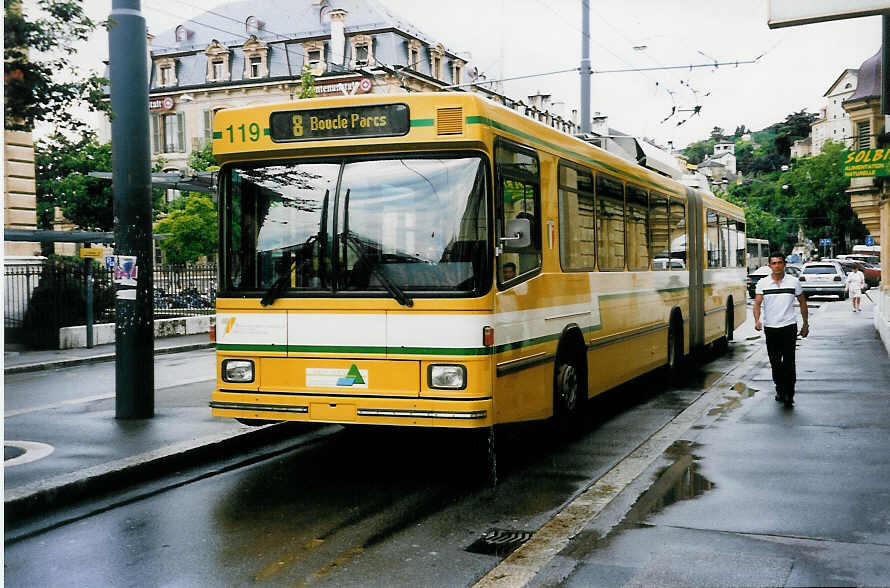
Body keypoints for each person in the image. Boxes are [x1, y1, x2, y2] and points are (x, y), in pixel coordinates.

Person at [753, 252, 809, 407]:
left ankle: (789, 393)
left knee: (789, 361)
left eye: (779, 263)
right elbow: (757, 303)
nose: (777, 266)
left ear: (785, 264)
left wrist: (805, 324)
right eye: (774, 263)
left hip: (789, 327)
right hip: (771, 328)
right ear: (770, 266)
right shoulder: (763, 283)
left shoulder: (793, 282)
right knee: (775, 362)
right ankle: (780, 388)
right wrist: (757, 320)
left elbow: (803, 302)